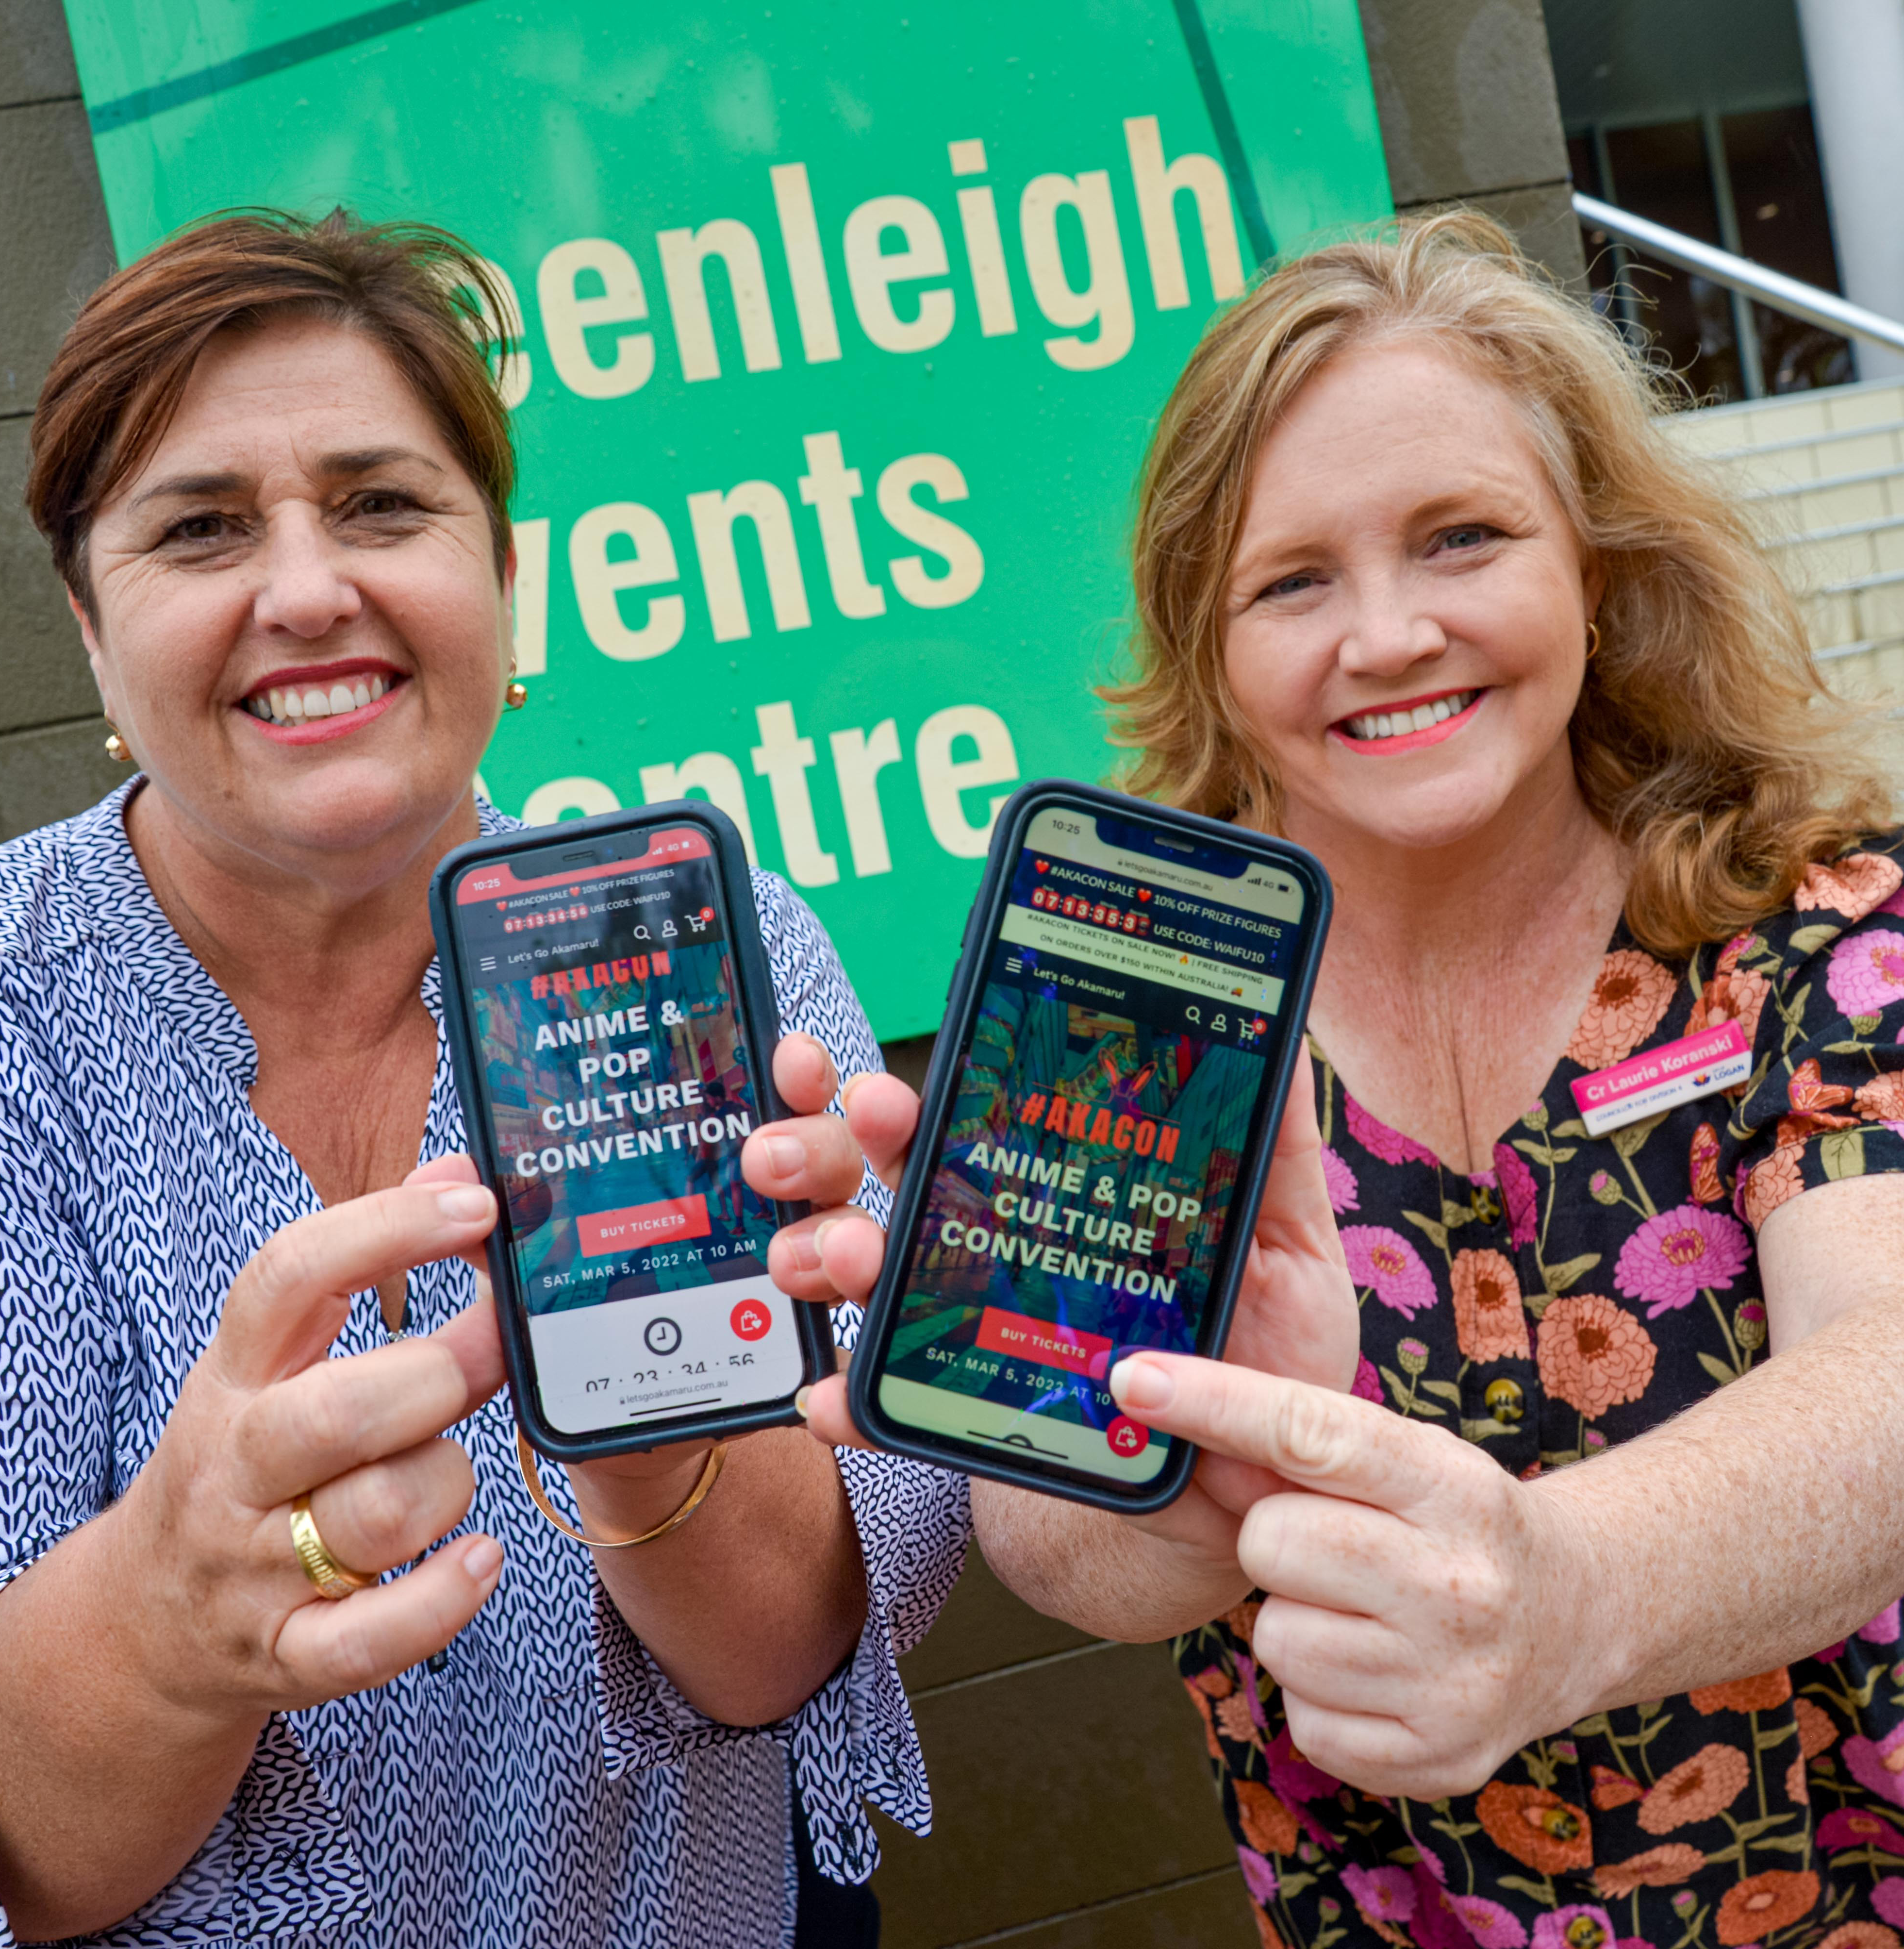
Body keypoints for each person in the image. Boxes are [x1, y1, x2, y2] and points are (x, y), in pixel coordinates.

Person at [795, 212, 1904, 1948]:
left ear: (1595, 572)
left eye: (1463, 539)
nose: (1387, 636)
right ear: (1211, 649)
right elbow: (1048, 1535)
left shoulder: (1820, 927)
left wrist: (1554, 1595)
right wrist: (1201, 1500)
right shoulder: (1139, 1005)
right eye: (1293, 580)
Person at [0, 208, 965, 1948]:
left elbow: (785, 1660)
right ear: (91, 631)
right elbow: (20, 1867)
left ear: (504, 573)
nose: (304, 589)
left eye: (381, 503)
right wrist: (176, 1611)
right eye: (201, 529)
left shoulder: (707, 952)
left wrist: (648, 1449)